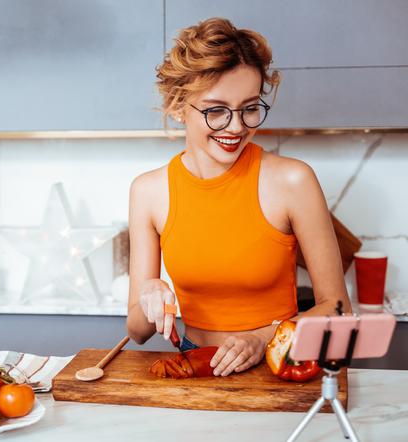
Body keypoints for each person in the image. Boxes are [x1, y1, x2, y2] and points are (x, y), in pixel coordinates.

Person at [126, 17, 351, 377]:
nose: (236, 127)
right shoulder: (148, 191)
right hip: (194, 364)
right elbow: (136, 331)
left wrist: (265, 338)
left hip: (281, 365)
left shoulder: (293, 180)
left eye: (249, 108)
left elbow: (339, 310)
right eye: (216, 110)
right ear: (178, 108)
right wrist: (151, 294)